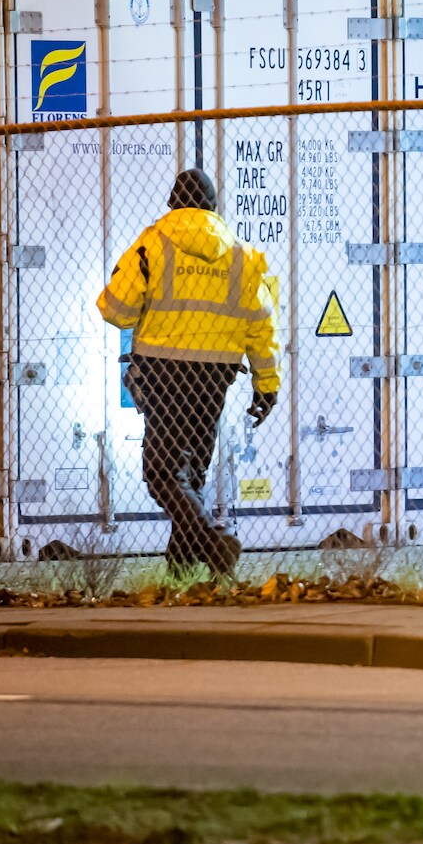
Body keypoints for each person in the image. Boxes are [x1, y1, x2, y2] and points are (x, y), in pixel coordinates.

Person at [97, 168, 279, 577]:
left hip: (163, 372)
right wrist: (266, 386)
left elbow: (115, 310)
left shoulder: (153, 243)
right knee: (190, 473)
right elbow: (263, 326)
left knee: (162, 474)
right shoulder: (242, 256)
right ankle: (179, 574)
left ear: (173, 204)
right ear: (213, 208)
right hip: (216, 376)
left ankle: (214, 546)